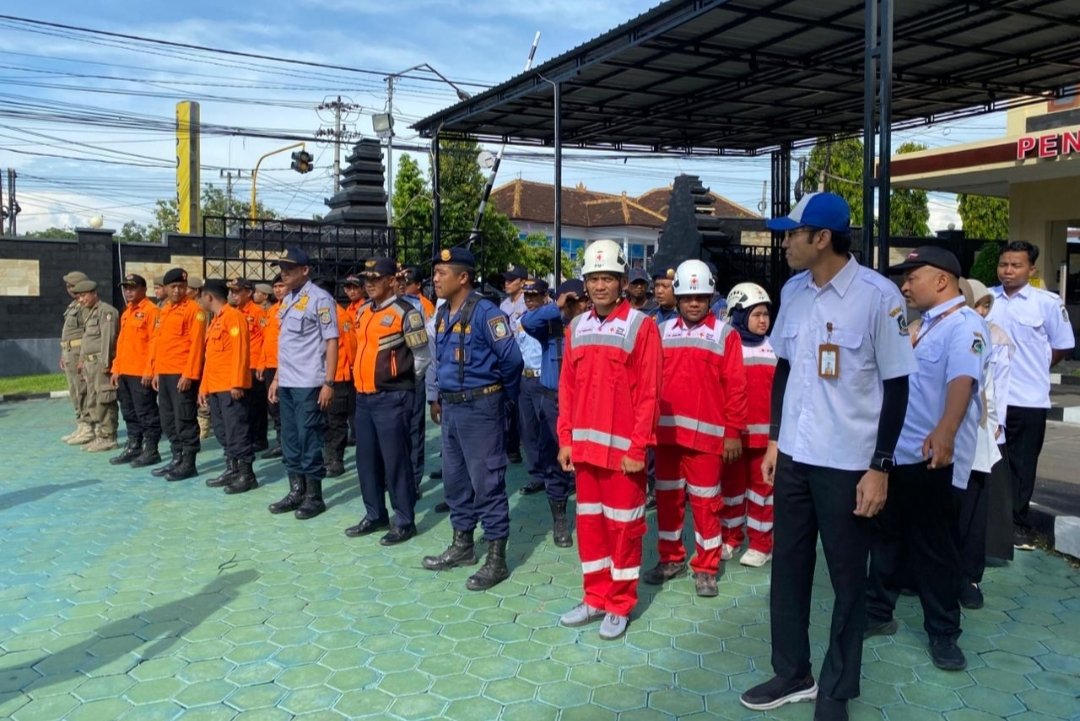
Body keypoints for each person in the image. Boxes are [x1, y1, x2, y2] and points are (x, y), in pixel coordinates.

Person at [739, 192, 916, 721]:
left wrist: (880, 466)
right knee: (789, 569)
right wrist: (775, 439)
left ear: (821, 238)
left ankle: (837, 688)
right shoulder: (793, 291)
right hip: (796, 454)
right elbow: (786, 368)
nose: (785, 243)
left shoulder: (878, 297)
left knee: (846, 579)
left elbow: (898, 386)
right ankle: (792, 672)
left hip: (849, 463)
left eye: (792, 234)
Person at [866, 247, 987, 672]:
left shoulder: (965, 326)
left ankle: (943, 632)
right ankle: (877, 612)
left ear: (941, 280)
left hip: (931, 458)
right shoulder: (923, 326)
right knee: (886, 539)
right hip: (897, 454)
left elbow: (962, 381)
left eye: (912, 277)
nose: (904, 286)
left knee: (934, 550)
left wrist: (946, 431)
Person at [557, 239, 662, 640]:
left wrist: (639, 448)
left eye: (608, 278)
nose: (600, 285)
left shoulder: (641, 326)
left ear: (621, 282)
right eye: (594, 278)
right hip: (585, 453)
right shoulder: (576, 328)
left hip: (623, 457)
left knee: (624, 529)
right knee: (591, 527)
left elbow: (649, 393)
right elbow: (567, 389)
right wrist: (565, 439)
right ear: (585, 282)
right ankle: (594, 597)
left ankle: (619, 604)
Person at [644, 260, 747, 597]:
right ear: (677, 298)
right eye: (687, 297)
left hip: (707, 440)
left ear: (710, 297)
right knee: (668, 500)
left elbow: (736, 388)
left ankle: (706, 568)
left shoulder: (725, 334)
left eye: (700, 297)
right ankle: (670, 558)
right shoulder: (660, 332)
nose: (693, 303)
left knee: (706, 505)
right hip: (667, 437)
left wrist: (733, 432)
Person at [423, 248, 523, 591]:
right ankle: (463, 544)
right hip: (452, 408)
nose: (435, 278)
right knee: (455, 481)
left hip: (481, 408)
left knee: (487, 482)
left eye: (442, 272)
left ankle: (497, 558)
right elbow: (438, 361)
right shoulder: (442, 314)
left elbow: (512, 360)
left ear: (463, 277)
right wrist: (436, 396)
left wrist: (501, 396)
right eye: (435, 272)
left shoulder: (486, 313)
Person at [986, 240, 1075, 549]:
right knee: (990, 462)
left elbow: (1062, 345)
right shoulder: (986, 299)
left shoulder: (1047, 303)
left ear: (1031, 269)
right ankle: (989, 524)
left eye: (1016, 265)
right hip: (991, 399)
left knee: (1023, 465)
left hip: (1028, 398)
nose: (1008, 271)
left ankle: (1018, 526)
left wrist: (1037, 365)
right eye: (1003, 264)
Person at [347, 257, 431, 545]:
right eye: (366, 279)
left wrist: (400, 381)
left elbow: (422, 356)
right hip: (364, 397)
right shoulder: (363, 311)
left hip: (392, 397)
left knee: (396, 461)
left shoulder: (406, 312)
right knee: (366, 460)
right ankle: (375, 514)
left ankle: (405, 520)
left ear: (391, 281)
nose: (369, 284)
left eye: (375, 279)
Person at [266, 248, 339, 520]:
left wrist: (329, 382)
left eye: (290, 268)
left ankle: (313, 496)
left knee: (309, 437)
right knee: (290, 438)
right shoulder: (288, 299)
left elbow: (332, 341)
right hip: (287, 381)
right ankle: (296, 490)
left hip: (309, 382)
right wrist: (277, 378)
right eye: (282, 268)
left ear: (305, 270)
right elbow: (287, 345)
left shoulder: (320, 299)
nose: (284, 273)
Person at [521, 278, 589, 547]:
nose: (580, 306)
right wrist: (558, 306)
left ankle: (589, 517)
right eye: (573, 302)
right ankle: (560, 519)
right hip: (554, 402)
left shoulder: (592, 326)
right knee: (554, 461)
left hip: (585, 402)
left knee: (587, 462)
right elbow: (527, 322)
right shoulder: (551, 326)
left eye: (581, 300)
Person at [959, 278, 1015, 600]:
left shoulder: (983, 335)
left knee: (971, 514)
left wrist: (993, 425)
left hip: (973, 438)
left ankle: (968, 579)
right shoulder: (923, 329)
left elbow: (989, 389)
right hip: (931, 443)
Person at [721, 282, 777, 568]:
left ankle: (761, 544)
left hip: (765, 441)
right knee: (731, 491)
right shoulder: (728, 347)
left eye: (766, 314)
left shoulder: (775, 348)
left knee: (762, 493)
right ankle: (731, 538)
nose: (763, 320)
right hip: (734, 438)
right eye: (756, 314)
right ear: (740, 316)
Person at [198, 280, 258, 495]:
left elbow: (241, 351)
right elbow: (211, 358)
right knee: (222, 431)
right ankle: (232, 469)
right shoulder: (216, 320)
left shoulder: (234, 317)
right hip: (216, 386)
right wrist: (204, 387)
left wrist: (237, 383)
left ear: (209, 297)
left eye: (201, 296)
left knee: (237, 430)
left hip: (230, 387)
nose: (199, 300)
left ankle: (246, 474)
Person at [146, 267, 206, 482]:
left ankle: (189, 462)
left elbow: (197, 345)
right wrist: (156, 371)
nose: (177, 291)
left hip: (182, 374)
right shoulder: (164, 310)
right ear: (166, 288)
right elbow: (159, 342)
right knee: (168, 418)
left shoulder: (194, 310)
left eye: (181, 287)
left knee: (184, 418)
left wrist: (189, 375)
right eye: (173, 287)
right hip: (165, 372)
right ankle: (176, 457)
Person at [109, 274, 162, 467]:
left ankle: (151, 450)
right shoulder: (127, 312)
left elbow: (155, 343)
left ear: (143, 289)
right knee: (129, 412)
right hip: (125, 371)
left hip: (141, 373)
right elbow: (121, 343)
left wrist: (150, 370)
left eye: (132, 288)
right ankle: (134, 446)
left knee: (146, 412)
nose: (128, 292)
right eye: (126, 288)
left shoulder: (151, 311)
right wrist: (116, 368)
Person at [399, 266, 435, 496]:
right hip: (389, 379)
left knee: (413, 429)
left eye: (406, 281)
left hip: (413, 375)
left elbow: (426, 346)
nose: (401, 284)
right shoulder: (378, 306)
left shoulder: (422, 306)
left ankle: (413, 479)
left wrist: (415, 375)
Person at [73, 280, 120, 452]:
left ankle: (109, 437)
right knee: (93, 400)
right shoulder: (89, 312)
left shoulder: (106, 311)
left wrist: (106, 364)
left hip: (101, 363)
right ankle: (100, 434)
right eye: (79, 297)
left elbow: (108, 338)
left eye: (84, 296)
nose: (81, 300)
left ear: (94, 293)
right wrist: (82, 360)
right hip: (90, 363)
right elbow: (87, 340)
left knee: (105, 399)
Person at [314, 278, 355, 478]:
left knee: (336, 421)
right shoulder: (320, 315)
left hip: (339, 377)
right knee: (325, 420)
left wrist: (350, 372)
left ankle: (336, 460)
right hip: (320, 376)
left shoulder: (340, 315)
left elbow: (351, 346)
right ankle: (328, 456)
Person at [516, 279, 549, 496]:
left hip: (543, 379)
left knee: (548, 429)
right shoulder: (520, 320)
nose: (529, 300)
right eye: (527, 296)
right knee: (528, 430)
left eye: (534, 296)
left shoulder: (550, 319)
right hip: (525, 379)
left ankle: (555, 474)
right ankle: (537, 475)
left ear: (544, 297)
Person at [228, 278, 269, 453]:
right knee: (242, 405)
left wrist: (262, 363)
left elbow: (267, 339)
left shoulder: (258, 313)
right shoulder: (232, 313)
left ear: (249, 293)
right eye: (232, 291)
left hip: (253, 364)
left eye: (237, 291)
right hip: (239, 366)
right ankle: (247, 437)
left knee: (256, 405)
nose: (234, 295)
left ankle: (259, 439)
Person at [500, 263, 529, 465]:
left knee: (523, 407)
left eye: (511, 280)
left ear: (523, 282)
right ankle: (512, 447)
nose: (507, 283)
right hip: (508, 361)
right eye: (506, 280)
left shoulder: (529, 303)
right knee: (508, 405)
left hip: (527, 362)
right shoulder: (503, 305)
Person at [59, 271, 92, 445]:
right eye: (67, 286)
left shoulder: (84, 306)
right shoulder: (73, 305)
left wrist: (83, 357)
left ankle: (88, 426)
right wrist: (63, 353)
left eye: (72, 286)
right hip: (69, 351)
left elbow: (88, 333)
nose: (69, 289)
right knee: (74, 391)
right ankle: (81, 423)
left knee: (82, 390)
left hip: (79, 352)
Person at [258, 275, 287, 459]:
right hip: (269, 364)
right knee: (273, 406)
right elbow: (266, 339)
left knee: (284, 406)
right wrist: (261, 363)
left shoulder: (290, 308)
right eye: (275, 286)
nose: (277, 290)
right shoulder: (272, 310)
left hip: (283, 365)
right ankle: (281, 442)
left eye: (281, 286)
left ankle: (287, 443)